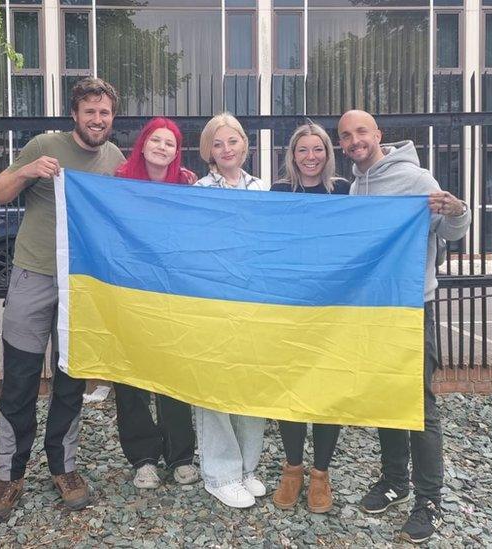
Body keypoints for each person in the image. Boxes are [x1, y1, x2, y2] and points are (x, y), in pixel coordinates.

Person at [0, 78, 125, 524]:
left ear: (111, 117)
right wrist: (27, 171)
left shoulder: (116, 158)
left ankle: (64, 466)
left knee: (70, 378)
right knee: (20, 378)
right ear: (75, 114)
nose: (97, 120)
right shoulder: (44, 144)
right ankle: (9, 474)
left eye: (104, 113)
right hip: (33, 275)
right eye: (89, 111)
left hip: (82, 285)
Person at [337, 109, 470, 544]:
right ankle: (395, 481)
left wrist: (457, 210)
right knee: (386, 399)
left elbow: (450, 230)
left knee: (418, 405)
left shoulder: (416, 179)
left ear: (378, 134)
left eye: (361, 132)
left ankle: (428, 499)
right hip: (374, 310)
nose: (355, 140)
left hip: (413, 308)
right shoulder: (357, 185)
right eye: (346, 136)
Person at [111, 117, 200, 489]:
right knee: (131, 377)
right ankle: (143, 458)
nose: (163, 147)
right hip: (130, 293)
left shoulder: (187, 184)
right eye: (156, 140)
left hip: (173, 295)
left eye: (170, 143)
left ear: (176, 151)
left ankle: (180, 455)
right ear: (143, 144)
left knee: (173, 374)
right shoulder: (118, 182)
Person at [268, 122, 348, 514]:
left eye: (318, 149)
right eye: (303, 150)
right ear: (292, 155)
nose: (311, 157)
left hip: (334, 309)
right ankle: (292, 469)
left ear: (328, 153)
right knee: (293, 389)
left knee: (327, 392)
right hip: (290, 307)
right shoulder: (278, 193)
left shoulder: (346, 191)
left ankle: (321, 474)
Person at [191, 113, 269, 509]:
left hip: (252, 300)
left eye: (232, 142)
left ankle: (247, 467)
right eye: (218, 144)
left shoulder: (262, 188)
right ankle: (219, 473)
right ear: (209, 150)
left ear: (244, 145)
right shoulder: (199, 190)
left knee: (250, 384)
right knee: (214, 385)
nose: (226, 150)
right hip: (212, 299)